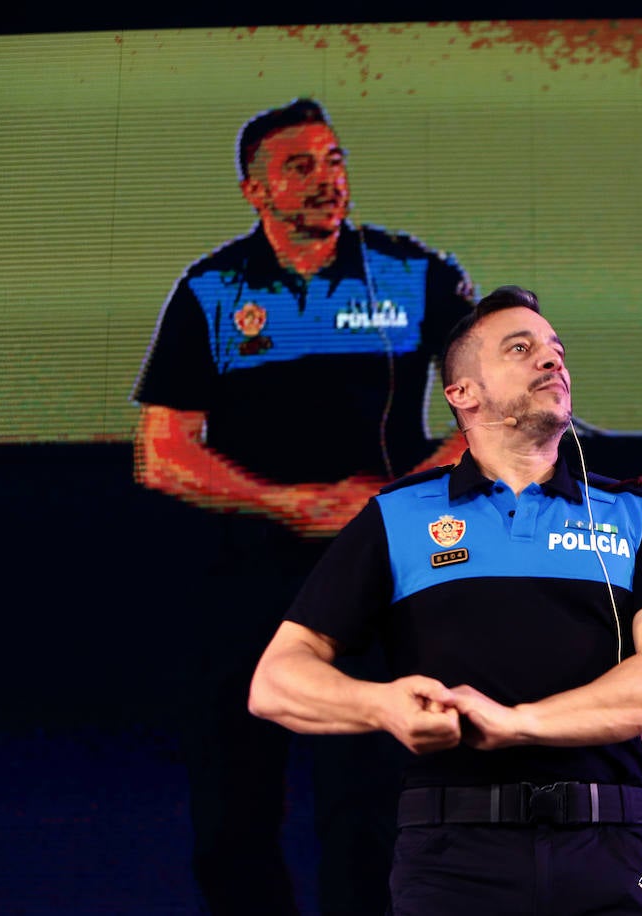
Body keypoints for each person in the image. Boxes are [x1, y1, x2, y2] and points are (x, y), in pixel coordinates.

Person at [249, 285, 642, 915]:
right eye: (521, 349)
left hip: (609, 852)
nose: (553, 361)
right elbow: (275, 681)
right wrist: (381, 704)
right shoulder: (399, 514)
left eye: (556, 350)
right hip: (452, 857)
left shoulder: (640, 513)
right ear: (462, 393)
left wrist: (518, 722)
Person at [132, 98, 474, 914]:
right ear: (256, 191)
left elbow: (489, 413)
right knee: (233, 803)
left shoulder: (413, 274)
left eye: (335, 162)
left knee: (368, 804)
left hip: (380, 571)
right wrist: (284, 502)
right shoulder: (212, 289)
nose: (327, 182)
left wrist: (393, 499)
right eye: (300, 167)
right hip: (244, 576)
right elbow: (162, 450)